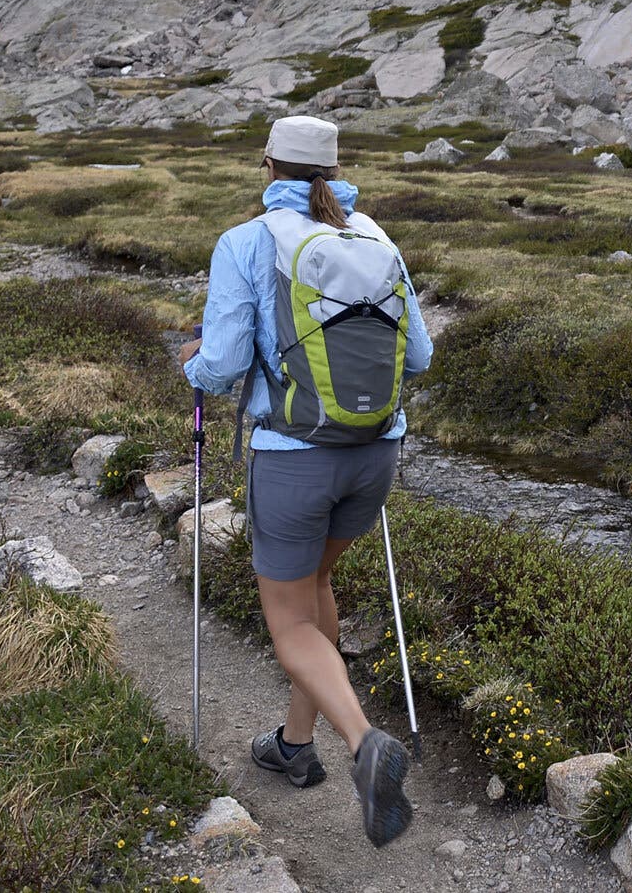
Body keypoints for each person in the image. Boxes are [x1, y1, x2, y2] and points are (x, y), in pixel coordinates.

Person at [176, 115, 432, 848]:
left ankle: (363, 745)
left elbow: (221, 367)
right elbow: (418, 357)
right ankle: (294, 744)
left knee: (288, 619)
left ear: (268, 166)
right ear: (334, 170)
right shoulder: (376, 238)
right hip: (374, 455)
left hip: (294, 455)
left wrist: (189, 361)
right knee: (316, 586)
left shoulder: (247, 241)